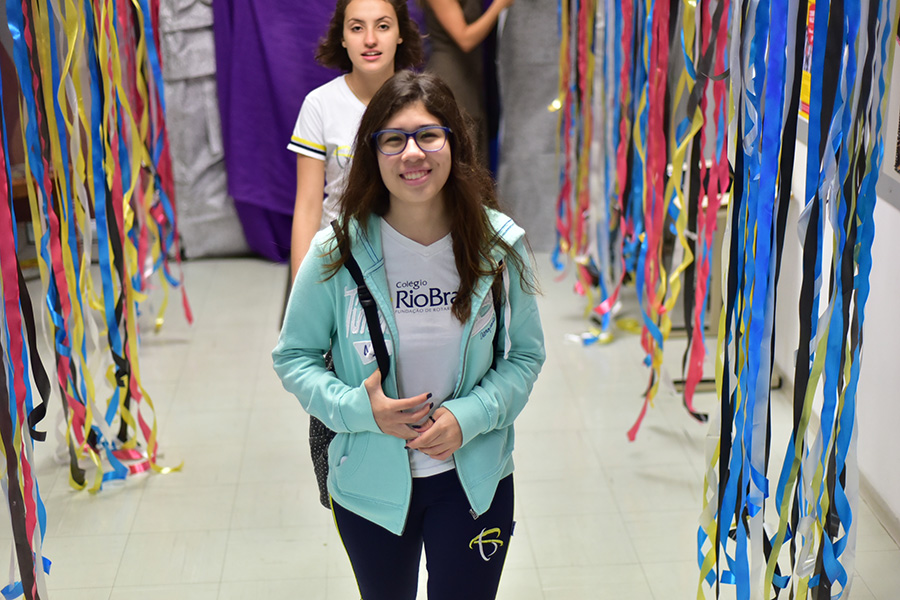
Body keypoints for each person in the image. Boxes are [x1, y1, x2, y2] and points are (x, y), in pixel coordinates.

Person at [273, 70, 545, 600]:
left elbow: (525, 357)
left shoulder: (497, 245)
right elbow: (295, 356)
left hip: (474, 484)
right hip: (369, 488)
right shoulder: (335, 253)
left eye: (428, 135)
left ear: (454, 143)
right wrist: (359, 410)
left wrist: (471, 415)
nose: (413, 153)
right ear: (372, 154)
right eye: (393, 140)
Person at [287, 0, 424, 278]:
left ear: (400, 33)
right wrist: (301, 287)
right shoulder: (319, 104)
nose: (370, 40)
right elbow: (308, 207)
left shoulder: (423, 101)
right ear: (342, 37)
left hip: (411, 257)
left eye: (382, 26)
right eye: (357, 28)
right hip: (340, 260)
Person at [420, 0, 514, 165]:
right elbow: (465, 39)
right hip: (450, 76)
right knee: (462, 148)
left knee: (474, 145)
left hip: (470, 75)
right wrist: (499, 5)